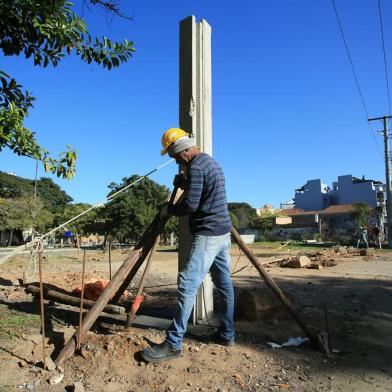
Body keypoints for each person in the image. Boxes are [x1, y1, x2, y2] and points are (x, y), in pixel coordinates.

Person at [140, 128, 234, 363]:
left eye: (173, 155)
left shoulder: (196, 168)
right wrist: (184, 180)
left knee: (187, 285)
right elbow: (202, 192)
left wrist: (168, 209)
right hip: (223, 233)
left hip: (208, 234)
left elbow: (190, 205)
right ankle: (227, 333)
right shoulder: (209, 163)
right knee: (224, 285)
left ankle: (173, 344)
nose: (174, 160)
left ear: (181, 150)